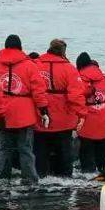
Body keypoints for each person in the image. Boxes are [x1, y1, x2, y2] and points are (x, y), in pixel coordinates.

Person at [0, 35, 49, 184]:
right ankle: (29, 179)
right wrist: (43, 110)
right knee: (26, 149)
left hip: (2, 113)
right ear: (20, 47)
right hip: (25, 114)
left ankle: (0, 178)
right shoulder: (29, 66)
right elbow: (38, 91)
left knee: (4, 148)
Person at [33, 39, 86, 178]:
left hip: (40, 115)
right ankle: (65, 178)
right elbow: (76, 95)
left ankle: (41, 177)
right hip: (64, 118)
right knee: (64, 151)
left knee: (40, 150)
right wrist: (82, 114)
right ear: (63, 52)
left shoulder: (35, 65)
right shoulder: (69, 68)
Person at [76, 52, 105, 173]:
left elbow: (75, 100)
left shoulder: (79, 80)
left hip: (87, 121)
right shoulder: (104, 80)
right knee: (102, 152)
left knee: (86, 153)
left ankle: (87, 179)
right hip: (104, 120)